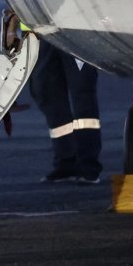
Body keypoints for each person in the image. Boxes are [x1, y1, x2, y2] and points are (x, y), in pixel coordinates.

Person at [30, 38, 102, 184]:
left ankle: (88, 166)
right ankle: (66, 162)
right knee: (46, 93)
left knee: (83, 96)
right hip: (40, 34)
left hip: (74, 32)